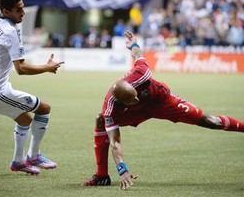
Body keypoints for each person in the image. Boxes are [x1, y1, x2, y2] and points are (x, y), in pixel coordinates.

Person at [81, 30, 244, 190]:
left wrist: (134, 44)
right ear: (122, 102)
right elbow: (115, 143)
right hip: (134, 113)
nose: (136, 98)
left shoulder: (142, 73)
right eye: (132, 100)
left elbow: (138, 54)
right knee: (101, 119)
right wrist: (122, 169)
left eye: (136, 95)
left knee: (211, 122)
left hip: (162, 101)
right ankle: (102, 176)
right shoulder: (110, 107)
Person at [0, 0, 64, 175]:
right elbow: (21, 69)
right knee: (44, 108)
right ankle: (33, 156)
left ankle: (18, 162)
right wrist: (47, 67)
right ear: (6, 12)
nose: (22, 13)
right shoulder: (10, 31)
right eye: (18, 10)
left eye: (22, 9)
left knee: (25, 119)